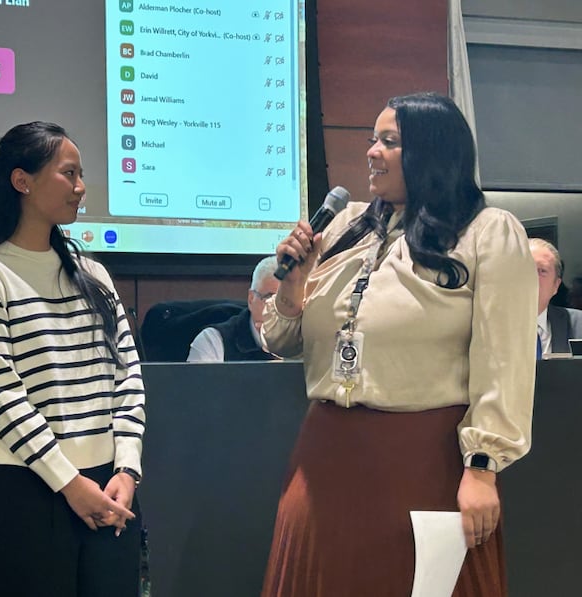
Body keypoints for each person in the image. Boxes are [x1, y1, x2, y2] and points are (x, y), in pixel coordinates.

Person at [260, 93, 536, 597]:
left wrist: (482, 468)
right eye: (372, 139)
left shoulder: (487, 232)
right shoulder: (345, 227)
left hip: (420, 459)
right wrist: (292, 286)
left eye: (390, 141)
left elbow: (504, 361)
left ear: (431, 153)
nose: (372, 152)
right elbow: (280, 340)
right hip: (324, 455)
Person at [0, 122, 146, 597]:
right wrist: (68, 482)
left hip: (110, 492)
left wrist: (128, 469)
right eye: (69, 174)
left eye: (81, 175)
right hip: (28, 492)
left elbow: (128, 375)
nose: (81, 188)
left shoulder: (93, 274)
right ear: (22, 181)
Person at [186, 255, 281, 362]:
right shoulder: (213, 342)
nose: (281, 310)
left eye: (289, 303)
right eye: (270, 299)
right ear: (251, 299)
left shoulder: (302, 339)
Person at [530, 237, 582, 356]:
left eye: (542, 271)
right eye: (526, 269)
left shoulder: (578, 325)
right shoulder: (489, 327)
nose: (532, 276)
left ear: (556, 285)